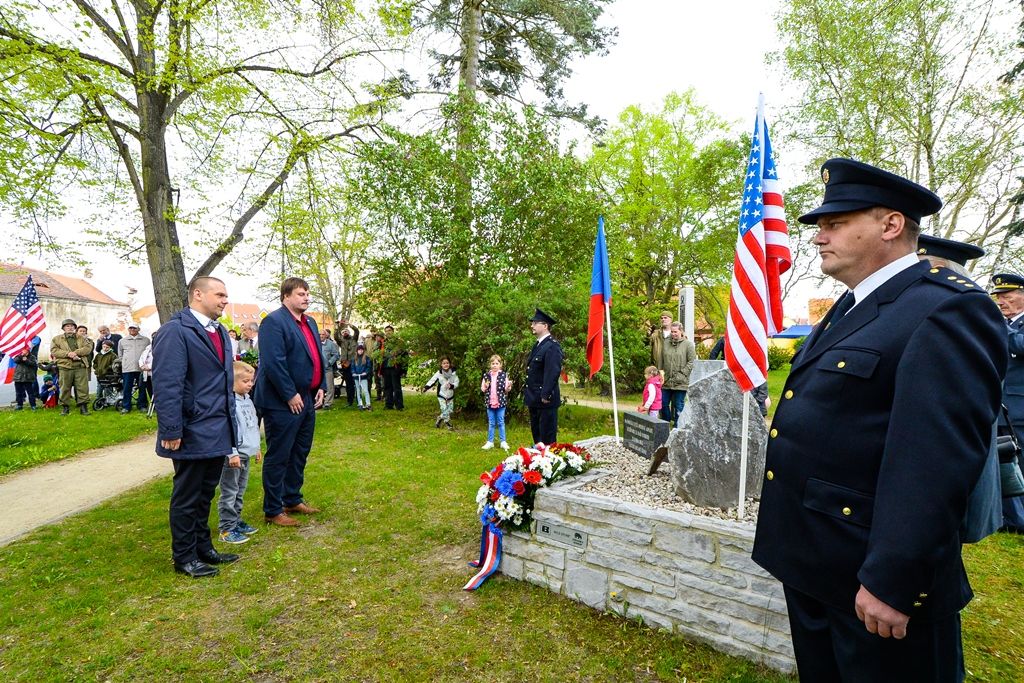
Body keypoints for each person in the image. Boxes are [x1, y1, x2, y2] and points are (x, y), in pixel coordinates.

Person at [751, 158, 1007, 681]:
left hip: (876, 584)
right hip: (819, 564)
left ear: (891, 225)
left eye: (836, 223)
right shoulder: (853, 306)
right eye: (820, 226)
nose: (818, 236)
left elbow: (934, 461)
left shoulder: (944, 308)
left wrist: (894, 578)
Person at [153, 276, 239, 578]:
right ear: (198, 294)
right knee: (187, 495)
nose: (225, 300)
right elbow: (167, 384)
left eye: (226, 295)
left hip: (217, 427)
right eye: (220, 294)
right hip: (191, 428)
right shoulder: (175, 331)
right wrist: (171, 430)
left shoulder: (219, 331)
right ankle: (185, 557)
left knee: (206, 493)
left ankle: (204, 548)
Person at [255, 277, 327, 527]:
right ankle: (273, 509)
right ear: (286, 296)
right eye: (300, 294)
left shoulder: (309, 322)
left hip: (307, 397)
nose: (306, 297)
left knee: (300, 452)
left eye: (307, 293)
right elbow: (273, 363)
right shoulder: (273, 322)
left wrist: (321, 386)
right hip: (281, 401)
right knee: (279, 454)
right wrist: (289, 394)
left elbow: (316, 356)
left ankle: (292, 498)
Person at [989, 271, 1024, 533]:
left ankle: (1017, 520)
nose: (1001, 301)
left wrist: (1000, 326)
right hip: (1003, 407)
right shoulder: (1007, 325)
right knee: (1005, 460)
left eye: (1007, 296)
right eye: (998, 297)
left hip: (1020, 407)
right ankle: (1011, 517)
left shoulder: (1009, 327)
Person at [217, 361, 262, 545]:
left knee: (240, 490)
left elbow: (252, 426)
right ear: (232, 381)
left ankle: (236, 520)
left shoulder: (248, 400)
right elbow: (228, 430)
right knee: (229, 491)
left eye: (251, 381)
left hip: (247, 454)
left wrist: (257, 447)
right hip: (234, 457)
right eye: (246, 381)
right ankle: (227, 528)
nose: (250, 384)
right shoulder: (229, 404)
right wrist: (232, 452)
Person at [524, 308, 563, 446]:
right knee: (538, 439)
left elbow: (552, 372)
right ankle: (539, 465)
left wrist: (545, 395)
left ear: (545, 326)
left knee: (547, 440)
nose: (532, 326)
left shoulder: (552, 346)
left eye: (535, 323)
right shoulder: (539, 345)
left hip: (545, 400)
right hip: (534, 399)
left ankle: (549, 465)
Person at [50, 318, 92, 416]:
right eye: (67, 326)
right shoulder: (56, 339)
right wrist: (68, 354)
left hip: (80, 366)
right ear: (63, 328)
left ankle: (83, 407)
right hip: (65, 366)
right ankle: (65, 408)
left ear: (75, 328)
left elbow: (88, 348)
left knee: (82, 387)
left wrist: (75, 353)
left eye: (72, 326)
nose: (70, 327)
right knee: (65, 388)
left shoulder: (82, 338)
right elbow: (54, 350)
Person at [660, 322, 695, 426]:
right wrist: (660, 372)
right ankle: (665, 425)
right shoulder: (666, 343)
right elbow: (662, 359)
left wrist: (681, 375)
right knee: (663, 403)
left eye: (675, 332)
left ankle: (677, 427)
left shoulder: (688, 345)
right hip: (666, 380)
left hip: (681, 382)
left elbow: (691, 362)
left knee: (678, 405)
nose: (673, 334)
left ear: (681, 331)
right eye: (672, 332)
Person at [481, 354, 513, 450]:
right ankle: (490, 442)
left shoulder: (503, 375)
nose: (495, 365)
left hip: (500, 403)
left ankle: (503, 442)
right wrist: (486, 386)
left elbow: (506, 389)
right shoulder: (486, 376)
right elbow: (483, 389)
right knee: (491, 423)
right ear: (490, 365)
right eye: (493, 363)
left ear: (500, 365)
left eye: (497, 363)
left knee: (501, 422)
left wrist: (509, 386)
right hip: (490, 402)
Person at [118, 323, 151, 414]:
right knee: (127, 388)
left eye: (134, 328)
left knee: (142, 388)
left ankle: (142, 405)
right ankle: (126, 407)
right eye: (130, 328)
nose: (132, 329)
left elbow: (150, 353)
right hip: (128, 369)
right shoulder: (122, 341)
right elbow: (120, 355)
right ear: (128, 329)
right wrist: (125, 362)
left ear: (138, 329)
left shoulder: (146, 340)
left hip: (141, 369)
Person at [424, 356, 459, 430]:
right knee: (444, 409)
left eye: (447, 363)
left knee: (449, 410)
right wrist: (426, 387)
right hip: (441, 395)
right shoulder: (439, 373)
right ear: (441, 365)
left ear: (449, 364)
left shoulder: (453, 373)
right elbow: (432, 380)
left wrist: (452, 386)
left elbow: (456, 382)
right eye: (444, 363)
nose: (446, 364)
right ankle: (449, 425)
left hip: (450, 395)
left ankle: (439, 419)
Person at [334, 319, 361, 407]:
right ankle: (350, 401)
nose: (344, 332)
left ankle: (359, 399)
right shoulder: (341, 341)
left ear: (349, 332)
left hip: (355, 363)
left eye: (346, 331)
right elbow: (336, 337)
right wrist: (338, 327)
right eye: (343, 332)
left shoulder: (354, 339)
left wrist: (349, 324)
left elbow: (356, 331)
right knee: (348, 383)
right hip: (345, 364)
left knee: (357, 382)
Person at [381, 325, 408, 410]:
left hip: (395, 367)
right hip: (386, 367)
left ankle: (399, 406)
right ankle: (389, 405)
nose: (388, 332)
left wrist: (404, 370)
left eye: (389, 330)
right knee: (387, 387)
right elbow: (380, 356)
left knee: (396, 388)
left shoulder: (399, 342)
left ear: (393, 331)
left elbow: (405, 356)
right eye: (386, 331)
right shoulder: (383, 342)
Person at [13, 338, 40, 411]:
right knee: (19, 393)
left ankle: (33, 405)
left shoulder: (32, 357)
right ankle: (19, 405)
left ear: (28, 350)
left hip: (28, 378)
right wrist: (21, 356)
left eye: (25, 350)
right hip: (18, 377)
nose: (23, 351)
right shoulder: (18, 356)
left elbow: (34, 364)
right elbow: (15, 361)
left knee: (30, 393)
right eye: (22, 350)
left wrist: (26, 360)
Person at [319, 329, 341, 409]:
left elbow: (336, 355)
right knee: (318, 387)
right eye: (320, 334)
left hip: (328, 369)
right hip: (318, 370)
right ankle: (319, 402)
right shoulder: (316, 343)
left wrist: (329, 362)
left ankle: (328, 403)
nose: (321, 336)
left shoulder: (331, 344)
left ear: (326, 336)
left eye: (323, 335)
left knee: (329, 386)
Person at [351, 343, 373, 410]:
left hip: (363, 377)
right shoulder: (354, 359)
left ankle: (368, 403)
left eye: (361, 350)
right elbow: (352, 367)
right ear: (357, 351)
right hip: (357, 377)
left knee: (365, 390)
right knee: (358, 390)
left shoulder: (366, 358)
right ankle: (360, 403)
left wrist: (365, 372)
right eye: (359, 350)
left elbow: (368, 367)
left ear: (363, 350)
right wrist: (353, 373)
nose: (360, 351)